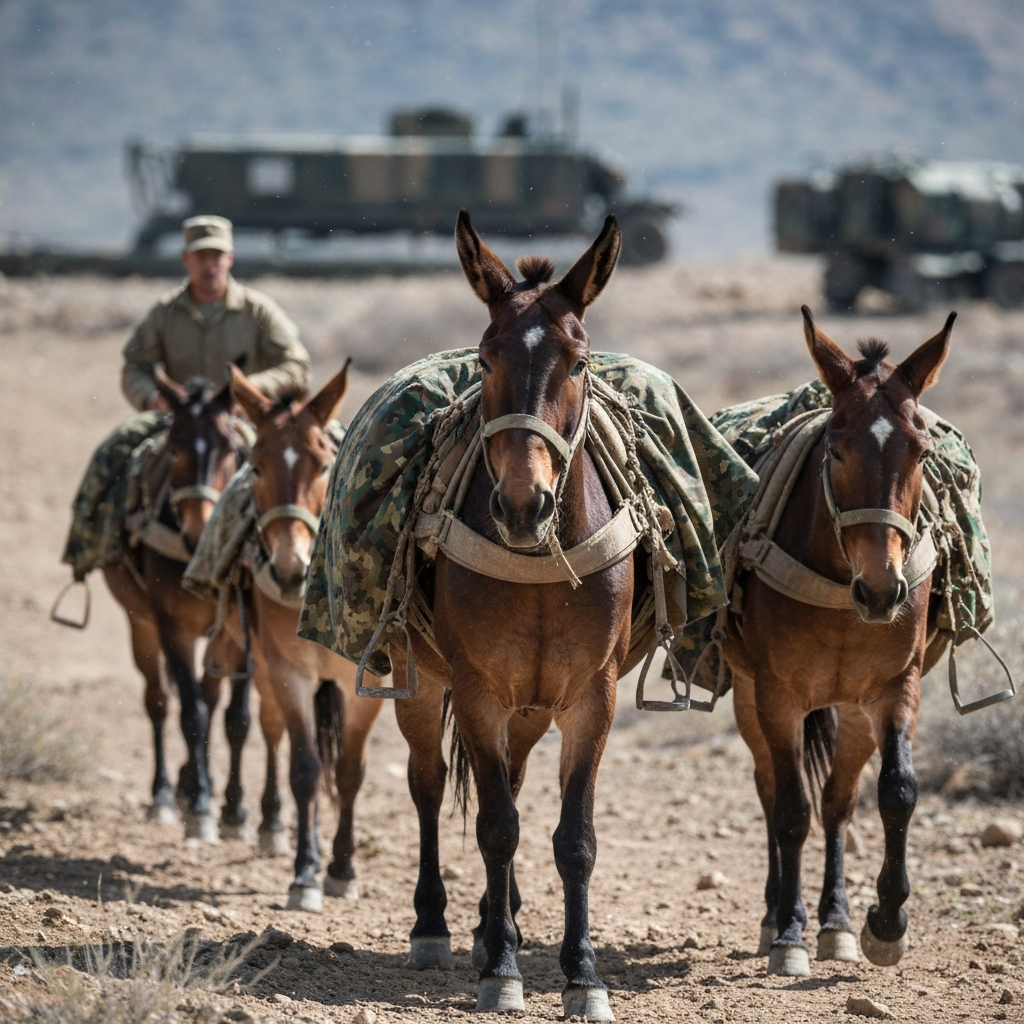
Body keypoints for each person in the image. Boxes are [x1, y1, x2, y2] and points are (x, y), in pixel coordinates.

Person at [61, 216, 312, 583]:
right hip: (176, 421)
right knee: (113, 452)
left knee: (309, 465)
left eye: (216, 256)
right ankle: (92, 551)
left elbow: (296, 366)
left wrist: (249, 393)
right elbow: (135, 366)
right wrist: (150, 398)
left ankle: (318, 564)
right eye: (201, 256)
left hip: (241, 418)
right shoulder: (164, 312)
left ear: (230, 259)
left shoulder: (258, 310)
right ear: (186, 260)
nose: (209, 264)